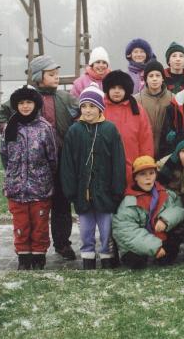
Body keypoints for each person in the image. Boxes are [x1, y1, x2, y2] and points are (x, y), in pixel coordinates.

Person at [0, 55, 77, 261]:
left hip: (61, 161)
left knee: (61, 206)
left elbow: (81, 114)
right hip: (34, 167)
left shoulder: (65, 98)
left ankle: (62, 243)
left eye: (57, 74)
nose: (56, 78)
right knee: (34, 210)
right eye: (51, 74)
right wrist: (10, 132)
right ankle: (30, 247)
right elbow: (3, 114)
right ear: (39, 77)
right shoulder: (27, 98)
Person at [60, 83, 126, 270]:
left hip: (106, 193)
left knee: (106, 229)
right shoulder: (74, 131)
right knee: (86, 230)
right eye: (84, 106)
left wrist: (117, 189)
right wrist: (70, 190)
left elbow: (118, 161)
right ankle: (88, 258)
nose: (87, 111)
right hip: (82, 193)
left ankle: (106, 256)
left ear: (100, 108)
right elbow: (67, 164)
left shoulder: (109, 130)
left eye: (92, 106)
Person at [0, 85, 58, 270]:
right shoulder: (10, 127)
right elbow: (4, 155)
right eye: (21, 103)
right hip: (16, 188)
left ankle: (39, 257)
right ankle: (23, 258)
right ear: (16, 105)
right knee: (21, 225)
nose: (25, 106)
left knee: (39, 225)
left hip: (39, 188)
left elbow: (52, 157)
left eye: (29, 102)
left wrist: (45, 177)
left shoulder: (44, 128)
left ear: (36, 104)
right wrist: (13, 175)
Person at [113, 156, 184, 269]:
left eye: (151, 173)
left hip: (158, 237)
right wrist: (155, 247)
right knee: (136, 263)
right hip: (135, 244)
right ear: (135, 178)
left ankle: (163, 253)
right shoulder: (128, 202)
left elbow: (179, 208)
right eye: (142, 174)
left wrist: (165, 220)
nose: (148, 178)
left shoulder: (165, 193)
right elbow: (126, 231)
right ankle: (150, 253)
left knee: (172, 245)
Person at [102, 69, 154, 186]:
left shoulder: (137, 109)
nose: (117, 91)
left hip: (132, 167)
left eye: (120, 88)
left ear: (126, 90)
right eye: (113, 88)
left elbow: (145, 139)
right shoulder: (100, 108)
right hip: (105, 167)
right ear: (107, 89)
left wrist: (144, 166)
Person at [157, 132, 184, 249]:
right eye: (183, 151)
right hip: (176, 203)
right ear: (177, 153)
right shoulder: (170, 165)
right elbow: (159, 182)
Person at [136, 60, 174, 157]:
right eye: (151, 76)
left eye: (158, 75)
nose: (154, 79)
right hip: (143, 151)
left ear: (163, 78)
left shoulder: (173, 98)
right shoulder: (136, 100)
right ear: (146, 79)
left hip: (166, 151)